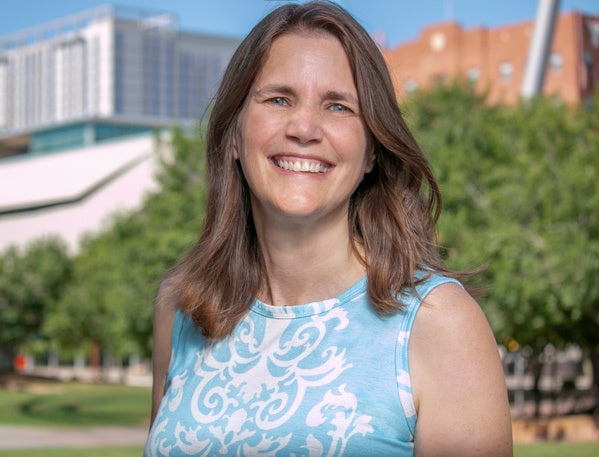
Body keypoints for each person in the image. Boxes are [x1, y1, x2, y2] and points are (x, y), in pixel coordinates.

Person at [144, 1, 513, 456]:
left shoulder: (439, 324)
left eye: (338, 106)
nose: (304, 128)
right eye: (279, 99)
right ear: (234, 134)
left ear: (373, 150)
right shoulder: (181, 307)